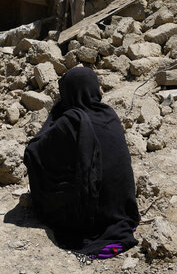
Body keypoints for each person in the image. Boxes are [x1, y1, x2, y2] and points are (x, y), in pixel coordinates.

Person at [23, 66, 140, 259]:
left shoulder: (70, 121)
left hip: (91, 219)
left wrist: (54, 115)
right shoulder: (108, 113)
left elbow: (33, 154)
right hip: (123, 210)